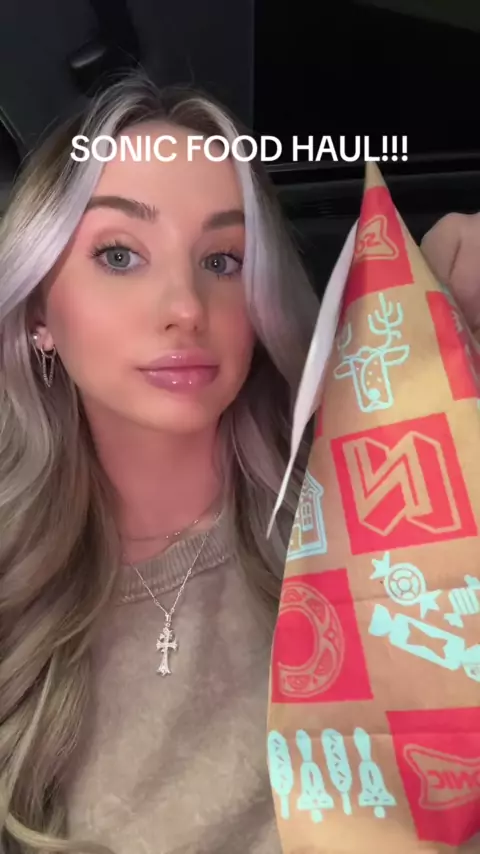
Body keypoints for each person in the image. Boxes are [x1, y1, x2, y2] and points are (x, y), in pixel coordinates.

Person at [0, 70, 479, 854]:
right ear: (36, 312)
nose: (187, 308)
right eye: (119, 254)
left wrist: (443, 334)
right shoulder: (15, 576)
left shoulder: (375, 511)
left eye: (223, 260)